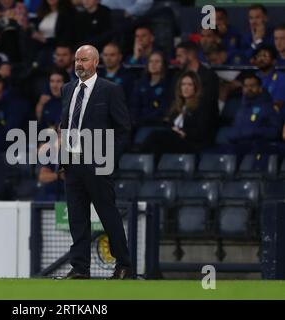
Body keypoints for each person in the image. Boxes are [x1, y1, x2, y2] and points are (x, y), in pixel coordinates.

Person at [58, 45, 132, 280]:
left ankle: (124, 265)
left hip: (98, 164)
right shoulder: (67, 89)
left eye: (84, 60)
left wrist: (109, 160)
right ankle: (80, 268)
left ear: (96, 62)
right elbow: (65, 125)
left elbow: (123, 130)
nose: (79, 64)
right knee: (77, 219)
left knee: (108, 216)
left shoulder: (110, 90)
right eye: (77, 60)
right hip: (73, 164)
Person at [141, 71, 217, 156]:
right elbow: (169, 125)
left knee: (155, 136)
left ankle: (140, 158)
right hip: (174, 141)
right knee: (156, 141)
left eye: (189, 85)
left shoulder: (202, 106)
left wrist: (184, 133)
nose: (185, 88)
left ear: (196, 87)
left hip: (191, 143)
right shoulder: (176, 106)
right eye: (183, 84)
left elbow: (202, 131)